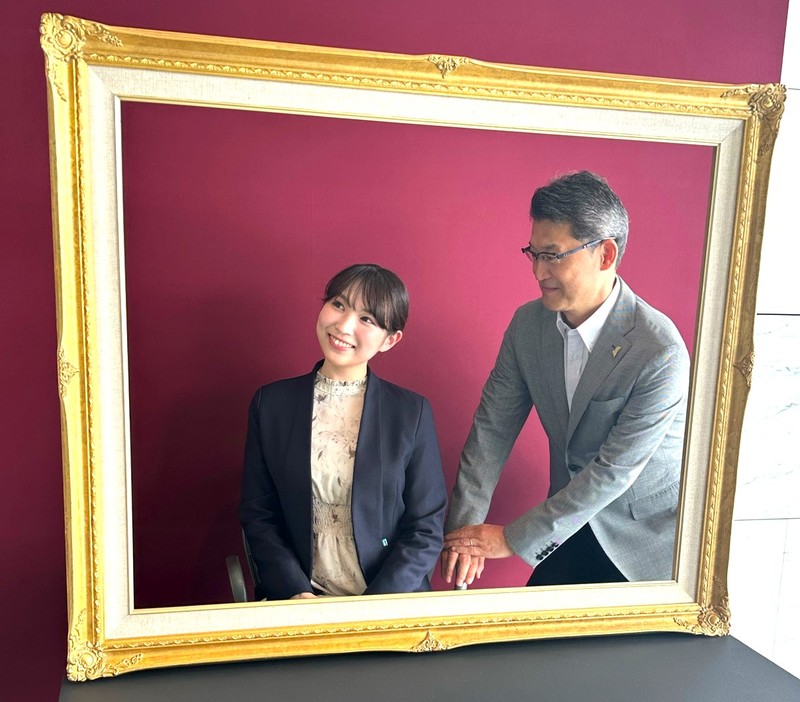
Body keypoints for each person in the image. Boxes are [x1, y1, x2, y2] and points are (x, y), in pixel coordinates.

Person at [441, 171, 690, 589]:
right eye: (533, 253)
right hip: (568, 526)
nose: (538, 272)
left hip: (644, 543)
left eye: (553, 256)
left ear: (605, 254)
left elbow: (612, 472)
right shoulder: (527, 326)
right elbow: (492, 430)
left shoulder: (659, 350)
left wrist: (511, 539)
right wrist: (463, 534)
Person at [240, 263, 447, 600]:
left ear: (390, 340)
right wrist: (295, 591)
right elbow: (258, 512)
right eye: (338, 304)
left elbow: (425, 526)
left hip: (388, 600)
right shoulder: (271, 404)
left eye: (367, 319)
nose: (344, 325)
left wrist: (375, 605)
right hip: (300, 601)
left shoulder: (411, 412)